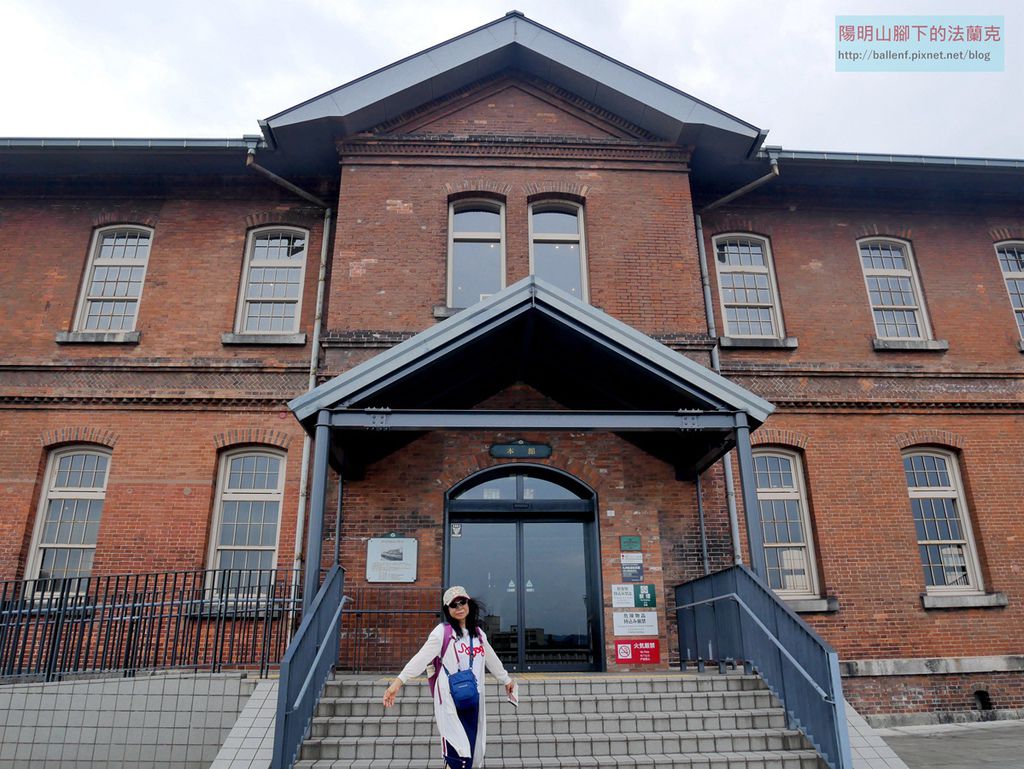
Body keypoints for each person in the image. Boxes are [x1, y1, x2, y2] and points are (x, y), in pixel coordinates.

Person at [382, 586, 515, 769]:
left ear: (469, 603)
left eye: (462, 602)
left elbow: (492, 660)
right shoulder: (442, 633)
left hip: (473, 699)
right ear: (447, 609)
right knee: (456, 756)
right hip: (450, 701)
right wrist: (397, 684)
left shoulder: (478, 634)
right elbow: (421, 658)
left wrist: (506, 680)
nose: (459, 607)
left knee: (470, 754)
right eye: (453, 605)